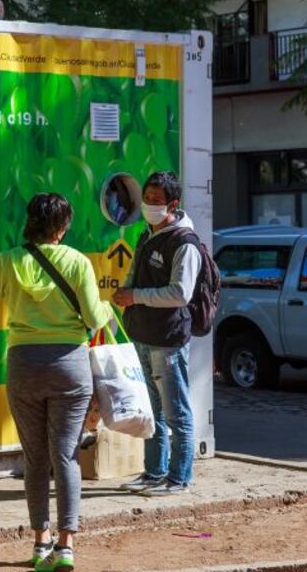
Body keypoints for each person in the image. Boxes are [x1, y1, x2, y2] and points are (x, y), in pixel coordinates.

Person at [0, 193, 112, 572]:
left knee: (35, 458)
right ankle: (66, 546)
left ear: (29, 222)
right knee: (65, 456)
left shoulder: (7, 261)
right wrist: (111, 307)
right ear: (62, 228)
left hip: (25, 365)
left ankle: (40, 543)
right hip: (70, 366)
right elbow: (95, 318)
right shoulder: (78, 261)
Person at [112, 171, 201, 497]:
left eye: (155, 201)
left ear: (173, 204)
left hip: (168, 339)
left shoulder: (184, 243)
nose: (149, 205)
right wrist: (127, 294)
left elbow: (180, 293)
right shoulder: (146, 234)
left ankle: (179, 479)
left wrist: (136, 296)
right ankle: (154, 472)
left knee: (177, 412)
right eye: (146, 199)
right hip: (143, 335)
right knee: (154, 411)